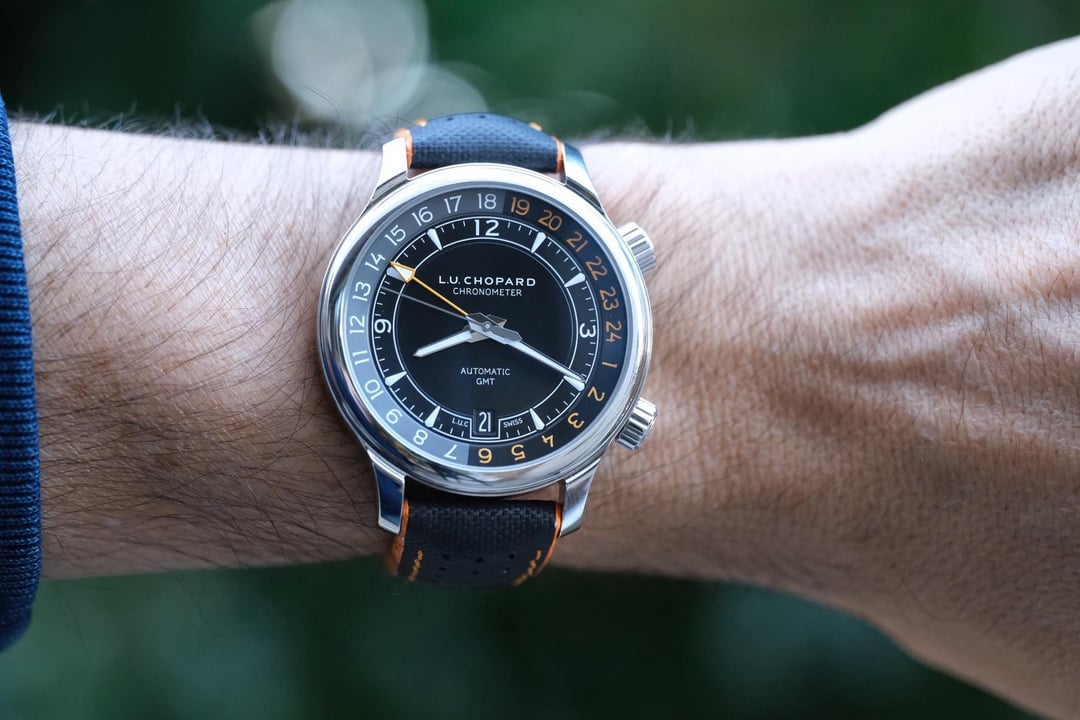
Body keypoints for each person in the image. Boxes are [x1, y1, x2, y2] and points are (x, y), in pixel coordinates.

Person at [4, 36, 1079, 719]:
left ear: (626, 276)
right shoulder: (409, 282)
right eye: (468, 318)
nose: (482, 327)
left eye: (498, 321)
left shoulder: (582, 348)